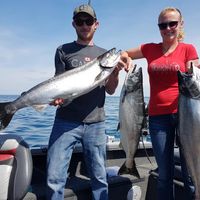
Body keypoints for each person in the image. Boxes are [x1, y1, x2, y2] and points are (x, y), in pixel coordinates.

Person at [118, 7, 199, 200]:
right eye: (163, 25)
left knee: (189, 173)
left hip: (185, 116)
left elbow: (195, 76)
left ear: (181, 24)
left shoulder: (188, 49)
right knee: (164, 174)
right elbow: (124, 53)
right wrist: (126, 62)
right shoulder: (150, 48)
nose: (168, 28)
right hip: (157, 118)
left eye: (172, 23)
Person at [46, 4, 123, 200]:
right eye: (80, 21)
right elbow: (58, 83)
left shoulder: (104, 53)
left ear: (96, 24)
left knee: (99, 177)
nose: (84, 25)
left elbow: (111, 90)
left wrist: (114, 73)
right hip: (65, 121)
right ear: (74, 24)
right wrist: (57, 99)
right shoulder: (63, 50)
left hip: (96, 123)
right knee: (54, 177)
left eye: (88, 21)